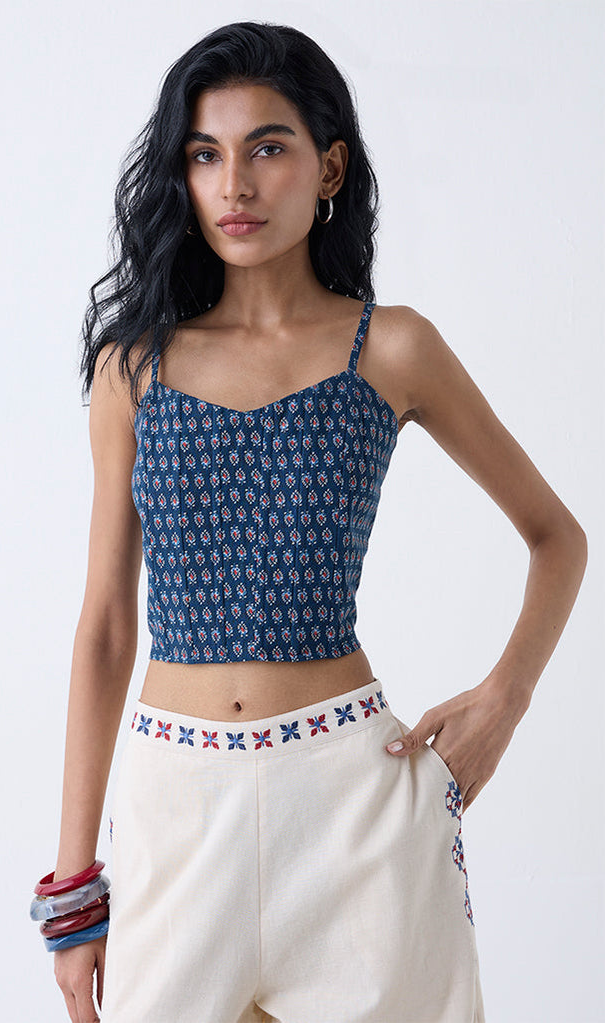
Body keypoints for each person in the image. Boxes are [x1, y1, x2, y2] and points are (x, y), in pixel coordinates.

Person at [33, 21, 588, 1023]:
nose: (234, 185)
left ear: (328, 167)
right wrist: (73, 892)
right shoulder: (133, 368)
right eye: (205, 154)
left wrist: (504, 698)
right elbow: (106, 624)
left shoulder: (392, 349)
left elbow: (557, 536)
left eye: (267, 148)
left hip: (351, 807)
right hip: (176, 808)